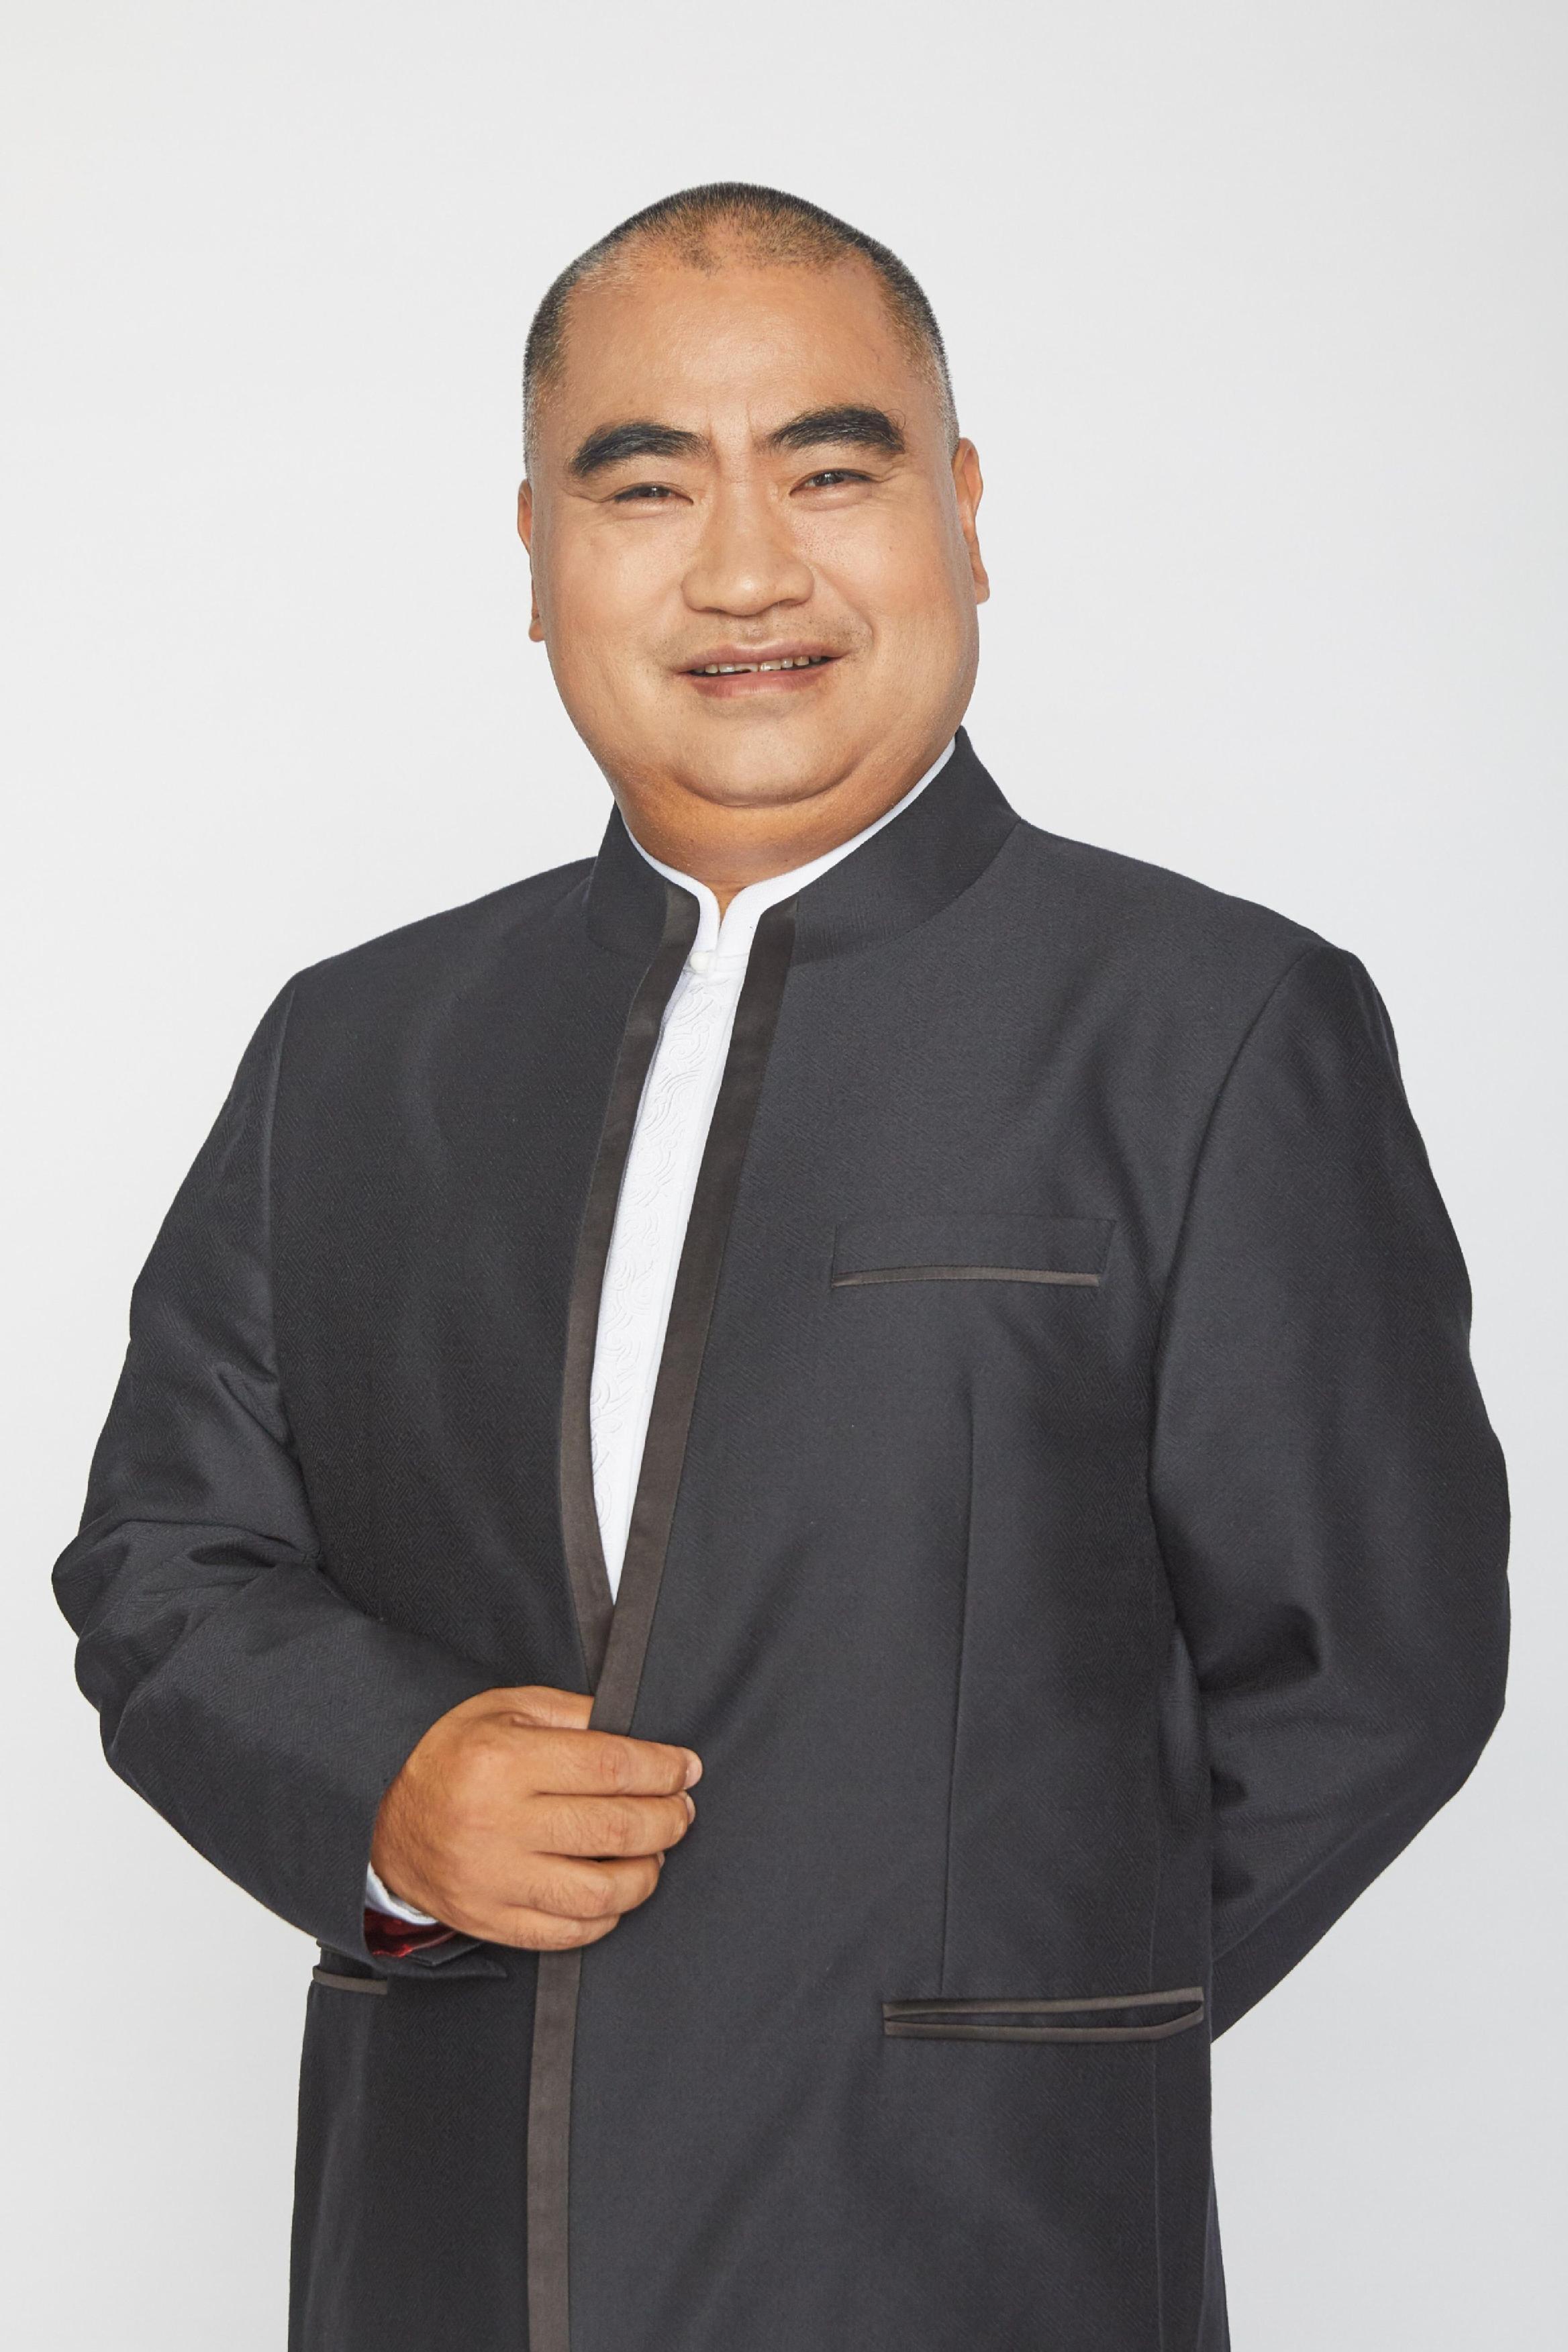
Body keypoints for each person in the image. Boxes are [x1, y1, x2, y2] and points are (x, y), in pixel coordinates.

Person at [54, 183, 1510, 2352]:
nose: (747, 569)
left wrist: (996, 2028)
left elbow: (1374, 1662)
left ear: (966, 514)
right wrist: (388, 1795)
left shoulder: (1213, 1027)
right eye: (645, 486)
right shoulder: (353, 1053)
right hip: (451, 2259)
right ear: (535, 553)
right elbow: (169, 1565)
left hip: (976, 2267)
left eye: (832, 471)